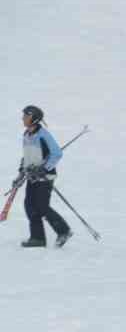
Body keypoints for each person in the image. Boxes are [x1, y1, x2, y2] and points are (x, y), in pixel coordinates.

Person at [16, 105, 71, 249]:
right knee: (29, 206)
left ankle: (64, 231)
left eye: (26, 116)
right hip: (32, 177)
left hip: (45, 177)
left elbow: (57, 153)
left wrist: (44, 169)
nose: (23, 119)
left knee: (42, 206)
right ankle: (37, 238)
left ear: (34, 118)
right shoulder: (26, 134)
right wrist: (21, 172)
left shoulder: (43, 135)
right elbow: (27, 156)